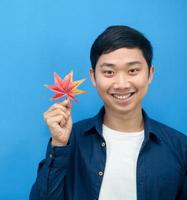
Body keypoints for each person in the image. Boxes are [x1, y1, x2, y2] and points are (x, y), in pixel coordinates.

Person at [29, 25, 187, 200]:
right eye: (109, 72)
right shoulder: (68, 142)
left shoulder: (180, 147)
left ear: (150, 74)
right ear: (93, 77)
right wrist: (58, 145)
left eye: (133, 70)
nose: (121, 84)